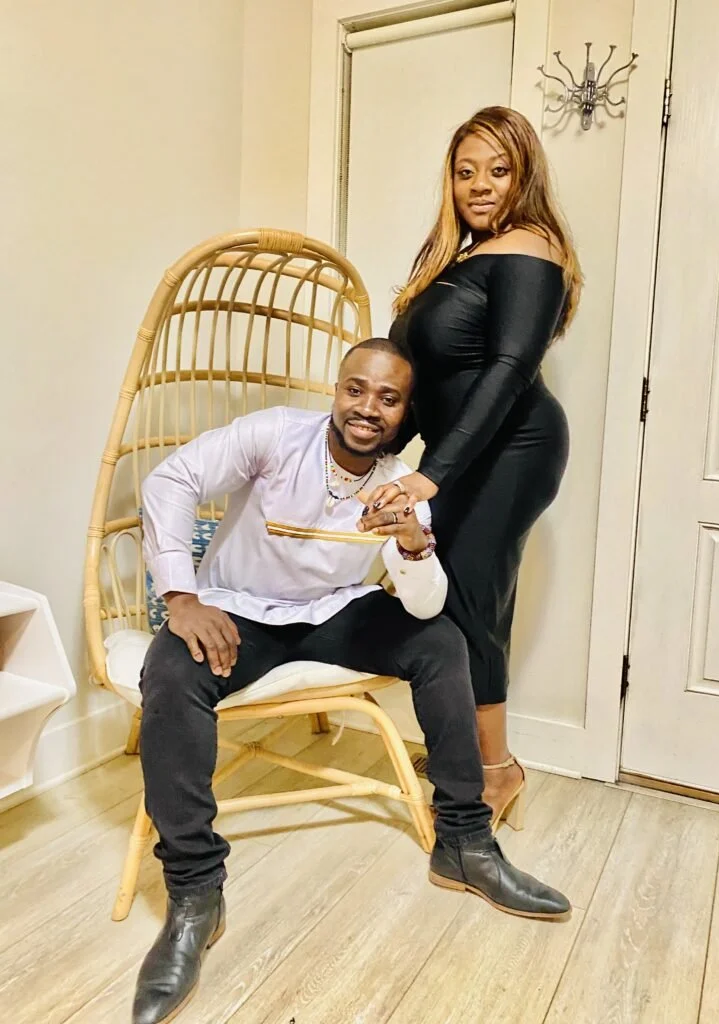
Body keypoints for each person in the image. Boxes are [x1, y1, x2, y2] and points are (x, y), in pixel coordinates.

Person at [132, 338, 569, 1024]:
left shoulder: (400, 485)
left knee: (440, 641)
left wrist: (413, 545)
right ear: (336, 391)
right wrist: (182, 597)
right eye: (355, 389)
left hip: (330, 613)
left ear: (404, 413)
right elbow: (171, 480)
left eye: (388, 399)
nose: (368, 408)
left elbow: (425, 603)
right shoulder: (276, 435)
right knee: (170, 670)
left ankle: (464, 843)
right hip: (240, 610)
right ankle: (194, 893)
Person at [365, 106, 583, 832]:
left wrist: (430, 475)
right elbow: (431, 379)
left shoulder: (532, 245)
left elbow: (511, 368)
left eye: (498, 170)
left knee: (470, 601)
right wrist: (371, 455)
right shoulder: (460, 257)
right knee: (455, 598)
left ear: (525, 175)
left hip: (515, 448)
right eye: (465, 172)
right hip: (466, 453)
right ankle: (469, 752)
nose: (480, 185)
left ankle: (496, 770)